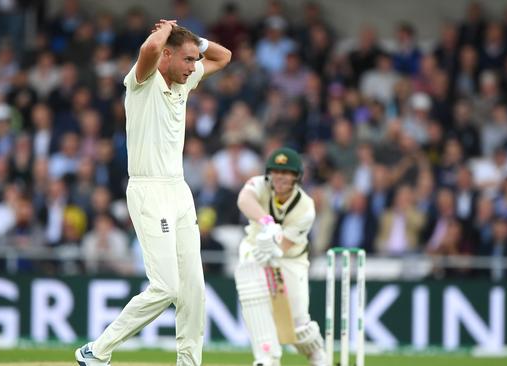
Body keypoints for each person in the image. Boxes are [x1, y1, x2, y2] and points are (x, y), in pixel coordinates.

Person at [75, 20, 231, 366]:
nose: (194, 67)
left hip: (179, 189)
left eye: (194, 61)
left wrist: (195, 41)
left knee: (193, 288)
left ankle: (189, 361)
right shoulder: (141, 82)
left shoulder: (185, 81)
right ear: (167, 55)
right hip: (148, 188)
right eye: (187, 59)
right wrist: (166, 30)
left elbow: (224, 57)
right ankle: (96, 351)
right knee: (166, 287)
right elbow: (148, 50)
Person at [235, 147, 328, 366]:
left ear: (297, 176)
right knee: (251, 286)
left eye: (286, 173)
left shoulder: (306, 207)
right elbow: (244, 200)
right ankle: (266, 357)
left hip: (291, 259)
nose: (280, 177)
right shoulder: (259, 184)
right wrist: (268, 224)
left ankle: (317, 355)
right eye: (276, 171)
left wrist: (273, 246)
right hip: (255, 249)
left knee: (298, 327)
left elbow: (284, 246)